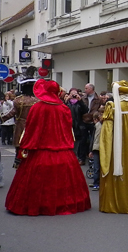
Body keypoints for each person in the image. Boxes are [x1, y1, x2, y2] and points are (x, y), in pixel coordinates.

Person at [5, 79, 91, 216]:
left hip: (39, 151)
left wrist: (25, 147)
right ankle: (63, 203)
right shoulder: (64, 108)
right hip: (62, 151)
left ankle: (37, 204)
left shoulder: (37, 108)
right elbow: (69, 130)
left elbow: (31, 130)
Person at [99, 81, 128, 214]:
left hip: (116, 148)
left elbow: (107, 134)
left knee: (115, 171)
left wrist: (104, 152)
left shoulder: (112, 106)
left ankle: (113, 203)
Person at [2, 67, 39, 168]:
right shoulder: (38, 101)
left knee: (20, 147)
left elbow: (11, 113)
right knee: (34, 148)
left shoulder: (19, 100)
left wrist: (1, 118)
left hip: (21, 127)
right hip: (35, 128)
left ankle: (19, 164)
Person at [65, 88, 89, 165]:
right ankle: (70, 157)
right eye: (72, 94)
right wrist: (66, 100)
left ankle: (80, 158)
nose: (74, 95)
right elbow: (62, 110)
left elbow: (86, 110)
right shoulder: (67, 103)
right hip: (69, 126)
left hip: (79, 125)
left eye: (75, 93)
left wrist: (80, 101)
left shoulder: (79, 102)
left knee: (80, 143)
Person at [88, 111, 103, 190]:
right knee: (96, 167)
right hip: (96, 148)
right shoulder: (97, 126)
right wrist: (91, 150)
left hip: (101, 148)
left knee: (100, 167)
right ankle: (96, 182)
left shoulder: (107, 125)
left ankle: (98, 183)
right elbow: (93, 138)